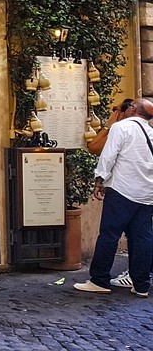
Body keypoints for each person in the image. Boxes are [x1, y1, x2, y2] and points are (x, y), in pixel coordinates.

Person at [75, 98, 153, 297]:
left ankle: (99, 280)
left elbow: (108, 156)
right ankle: (141, 285)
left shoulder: (121, 128)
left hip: (122, 190)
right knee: (142, 237)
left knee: (109, 235)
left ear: (133, 109)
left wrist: (99, 180)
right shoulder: (151, 133)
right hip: (146, 194)